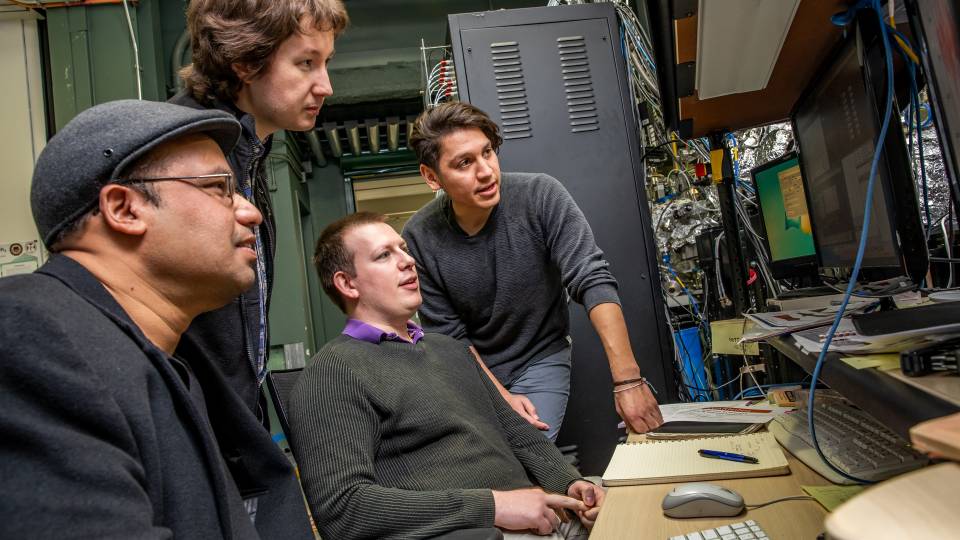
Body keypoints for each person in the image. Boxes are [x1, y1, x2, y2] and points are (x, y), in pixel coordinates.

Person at [0, 100, 312, 539]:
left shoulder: (170, 362)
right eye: (219, 187)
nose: (251, 213)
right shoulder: (28, 332)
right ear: (125, 209)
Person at [288, 212, 605, 540]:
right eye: (384, 255)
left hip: (543, 511)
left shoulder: (450, 349)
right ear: (347, 283)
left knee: (627, 506)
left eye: (403, 249)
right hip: (479, 532)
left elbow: (517, 432)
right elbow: (343, 509)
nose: (408, 261)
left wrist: (570, 482)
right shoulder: (332, 373)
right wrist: (492, 506)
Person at [401, 102, 663, 440]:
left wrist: (628, 381)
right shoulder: (419, 237)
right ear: (431, 176)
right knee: (483, 463)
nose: (486, 171)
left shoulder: (540, 196)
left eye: (487, 153)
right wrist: (501, 398)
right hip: (471, 370)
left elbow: (591, 277)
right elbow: (450, 339)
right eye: (464, 163)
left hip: (540, 357)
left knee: (531, 452)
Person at [171, 0, 348, 421]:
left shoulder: (250, 150)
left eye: (325, 63)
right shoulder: (181, 155)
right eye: (306, 63)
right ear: (246, 62)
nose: (325, 86)